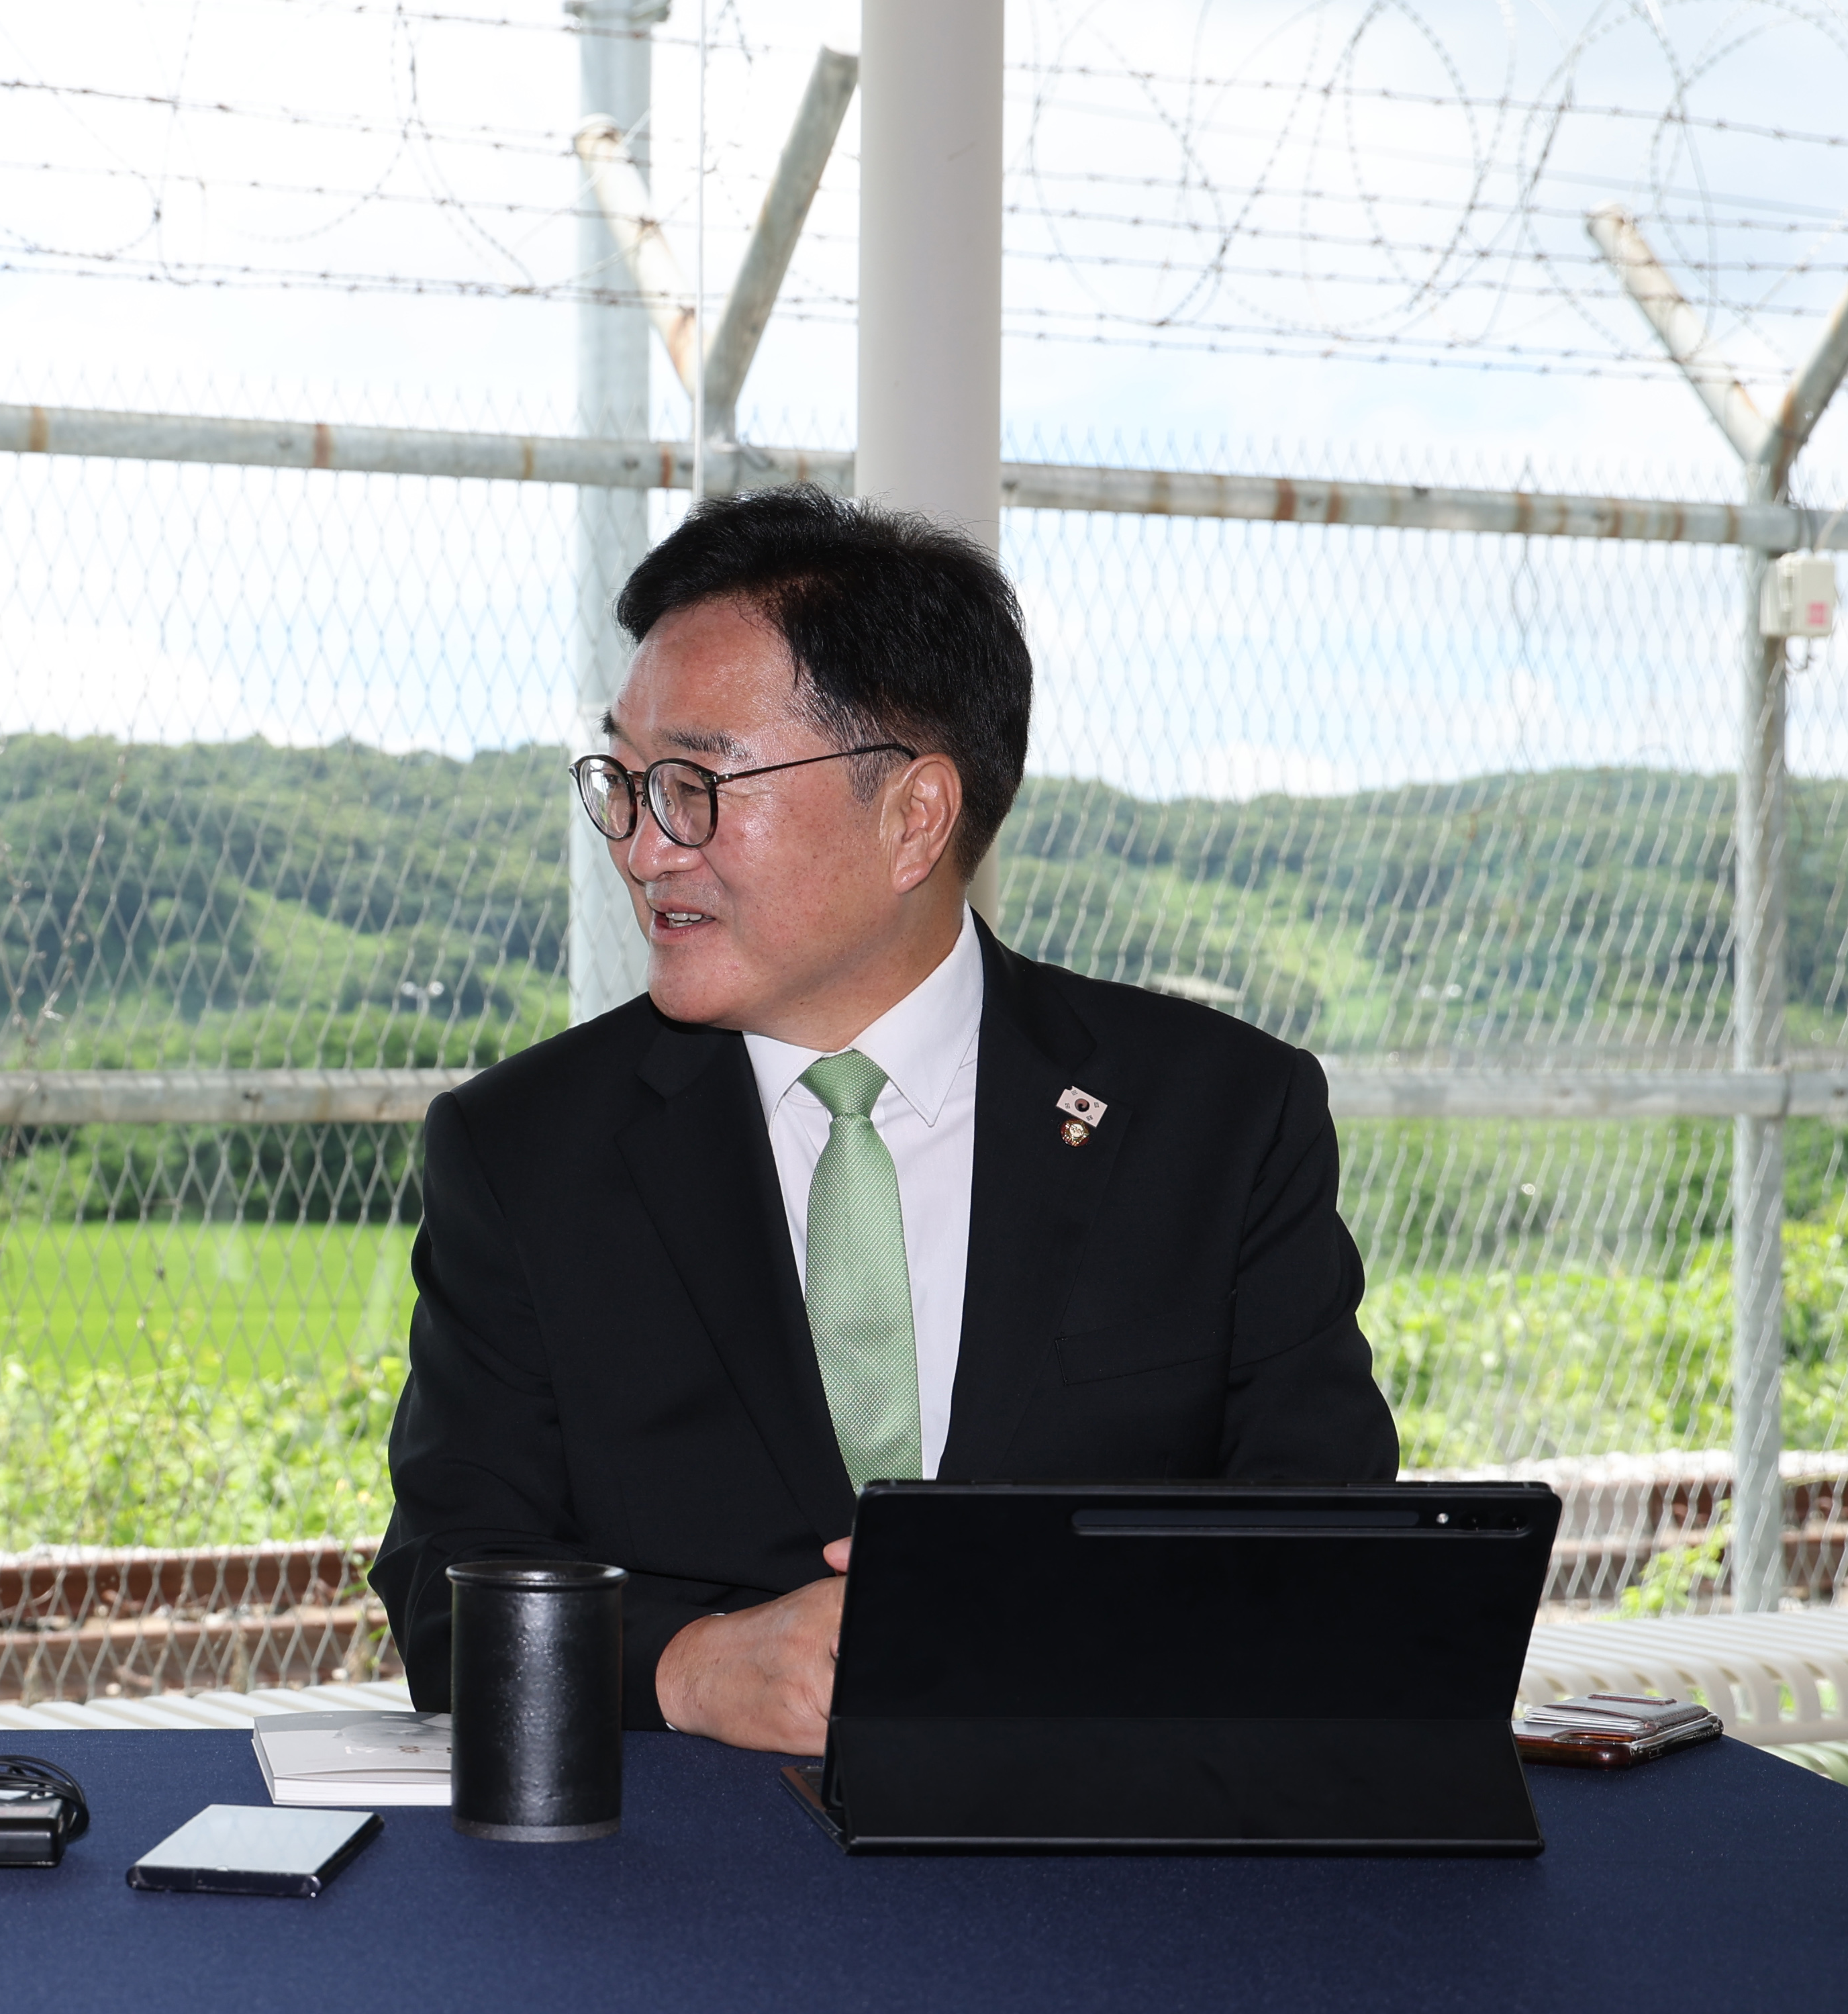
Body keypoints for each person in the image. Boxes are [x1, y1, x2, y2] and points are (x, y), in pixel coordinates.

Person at [371, 487, 1398, 1756]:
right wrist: (692, 1667)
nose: (642, 847)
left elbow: (1337, 1555)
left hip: (1118, 1890)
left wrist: (1046, 1623)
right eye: (625, 782)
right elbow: (443, 1589)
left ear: (914, 816)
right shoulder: (525, 1149)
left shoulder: (1221, 1119)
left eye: (695, 782)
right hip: (686, 1904)